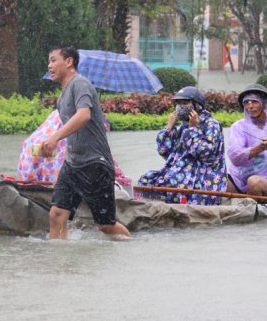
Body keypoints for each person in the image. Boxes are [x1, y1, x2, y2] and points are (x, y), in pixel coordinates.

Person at [40, 45, 130, 239]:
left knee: (106, 225)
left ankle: (131, 246)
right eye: (49, 61)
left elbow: (83, 116)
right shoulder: (62, 96)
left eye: (54, 60)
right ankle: (60, 261)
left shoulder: (80, 84)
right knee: (56, 215)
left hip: (95, 163)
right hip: (73, 164)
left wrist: (55, 138)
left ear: (69, 62)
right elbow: (72, 129)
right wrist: (49, 141)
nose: (49, 65)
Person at [137, 86, 228, 205]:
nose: (180, 106)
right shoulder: (183, 126)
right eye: (178, 103)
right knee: (146, 180)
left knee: (174, 184)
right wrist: (168, 128)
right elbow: (166, 152)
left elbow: (207, 155)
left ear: (197, 105)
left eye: (185, 102)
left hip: (204, 176)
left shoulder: (212, 125)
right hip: (180, 172)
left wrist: (193, 130)